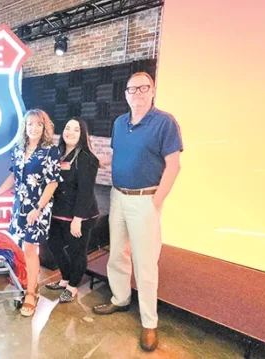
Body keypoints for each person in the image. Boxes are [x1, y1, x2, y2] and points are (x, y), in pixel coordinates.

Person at [91, 72, 183, 352]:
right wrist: (90, 161)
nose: (138, 93)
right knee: (117, 252)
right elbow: (117, 156)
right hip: (118, 196)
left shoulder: (165, 122)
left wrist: (157, 201)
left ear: (153, 91)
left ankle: (149, 322)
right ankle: (120, 298)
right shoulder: (120, 123)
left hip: (145, 200)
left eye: (144, 88)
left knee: (145, 263)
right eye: (133, 89)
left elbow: (174, 165)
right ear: (126, 94)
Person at [0, 109, 61, 317]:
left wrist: (37, 209)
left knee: (31, 247)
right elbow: (14, 175)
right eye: (30, 124)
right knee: (22, 245)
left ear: (44, 127)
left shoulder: (50, 151)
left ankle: (31, 293)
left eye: (38, 124)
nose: (33, 128)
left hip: (37, 208)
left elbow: (53, 183)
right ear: (25, 126)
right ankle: (28, 280)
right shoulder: (19, 149)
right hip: (19, 206)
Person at [45, 118, 99, 303]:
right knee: (54, 246)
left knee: (77, 252)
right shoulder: (56, 154)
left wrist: (78, 218)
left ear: (82, 134)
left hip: (79, 215)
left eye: (76, 130)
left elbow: (86, 191)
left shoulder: (87, 158)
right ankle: (65, 278)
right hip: (57, 212)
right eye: (68, 128)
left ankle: (73, 286)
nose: (70, 132)